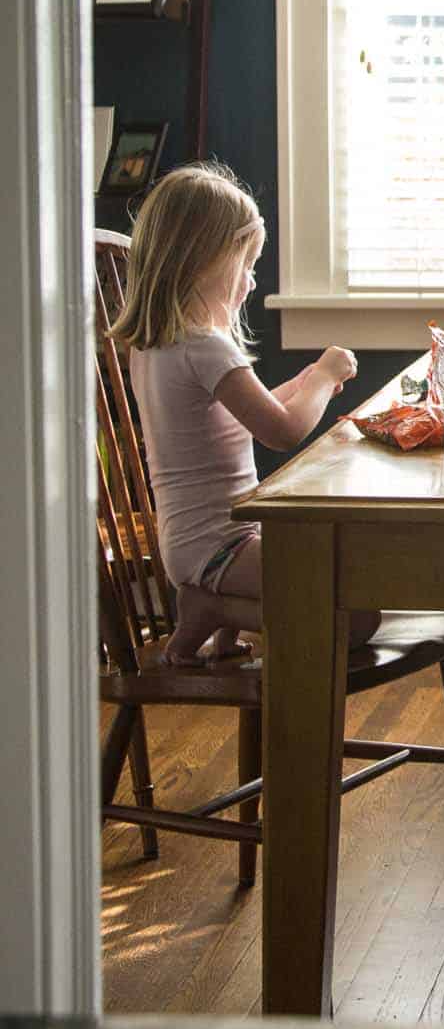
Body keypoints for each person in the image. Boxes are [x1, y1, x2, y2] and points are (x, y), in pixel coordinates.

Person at [110, 162, 378, 665]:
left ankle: (213, 610)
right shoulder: (207, 349)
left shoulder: (156, 348)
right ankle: (215, 611)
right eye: (247, 263)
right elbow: (281, 429)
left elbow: (231, 420)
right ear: (204, 261)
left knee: (333, 582)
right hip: (222, 546)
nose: (252, 283)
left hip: (192, 543)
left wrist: (302, 382)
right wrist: (322, 375)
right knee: (356, 618)